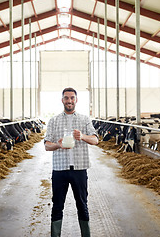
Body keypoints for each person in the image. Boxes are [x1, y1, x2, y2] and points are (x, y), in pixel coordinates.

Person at [44, 87, 99, 237]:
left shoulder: (84, 119)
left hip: (80, 169)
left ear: (76, 100)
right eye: (66, 98)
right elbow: (46, 145)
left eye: (72, 98)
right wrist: (58, 145)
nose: (69, 101)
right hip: (60, 170)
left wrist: (82, 136)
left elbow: (95, 140)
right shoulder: (54, 121)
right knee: (57, 206)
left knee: (82, 204)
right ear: (62, 100)